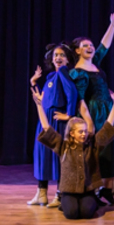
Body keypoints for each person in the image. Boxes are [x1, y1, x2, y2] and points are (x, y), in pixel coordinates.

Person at [33, 87, 114, 220]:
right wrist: (39, 106)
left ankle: (90, 201)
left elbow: (108, 127)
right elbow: (47, 128)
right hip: (69, 192)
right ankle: (64, 203)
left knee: (87, 213)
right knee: (72, 214)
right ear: (72, 133)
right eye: (80, 132)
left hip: (87, 191)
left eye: (85, 131)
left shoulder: (92, 145)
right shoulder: (63, 146)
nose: (84, 134)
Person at [70, 13, 114, 205]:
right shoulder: (77, 72)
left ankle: (107, 189)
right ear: (77, 51)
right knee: (100, 151)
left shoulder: (95, 64)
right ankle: (94, 189)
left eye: (91, 45)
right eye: (85, 46)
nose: (90, 47)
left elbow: (104, 47)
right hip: (94, 113)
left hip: (108, 110)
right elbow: (80, 100)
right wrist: (88, 122)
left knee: (110, 150)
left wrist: (112, 25)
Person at [29, 43, 78, 208]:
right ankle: (41, 194)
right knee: (43, 155)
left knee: (57, 159)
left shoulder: (64, 72)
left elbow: (72, 92)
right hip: (45, 120)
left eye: (62, 55)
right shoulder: (51, 77)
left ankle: (59, 194)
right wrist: (34, 82)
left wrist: (69, 114)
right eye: (56, 55)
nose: (58, 58)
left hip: (57, 120)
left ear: (68, 59)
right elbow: (42, 99)